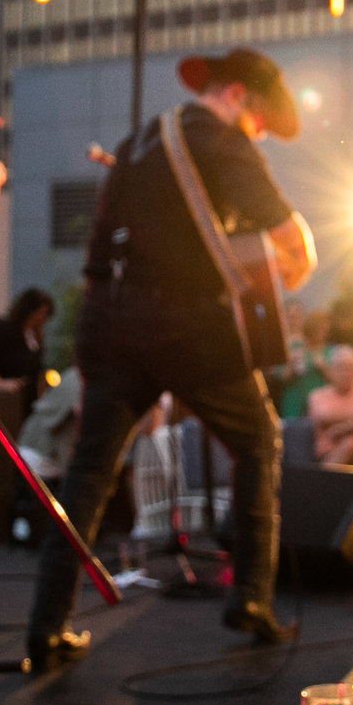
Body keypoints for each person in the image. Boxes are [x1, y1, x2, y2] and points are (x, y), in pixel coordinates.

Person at [24, 50, 315, 668]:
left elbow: (100, 247)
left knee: (89, 472)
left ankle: (45, 625)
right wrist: (293, 268)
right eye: (259, 119)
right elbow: (292, 239)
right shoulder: (222, 141)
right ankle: (250, 600)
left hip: (109, 317)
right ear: (237, 95)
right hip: (187, 322)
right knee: (258, 440)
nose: (258, 132)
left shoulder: (137, 142)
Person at [0, 287, 56, 422]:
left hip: (27, 405)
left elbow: (38, 372)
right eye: (40, 313)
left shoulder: (35, 338)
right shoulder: (3, 327)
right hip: (3, 402)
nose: (42, 318)